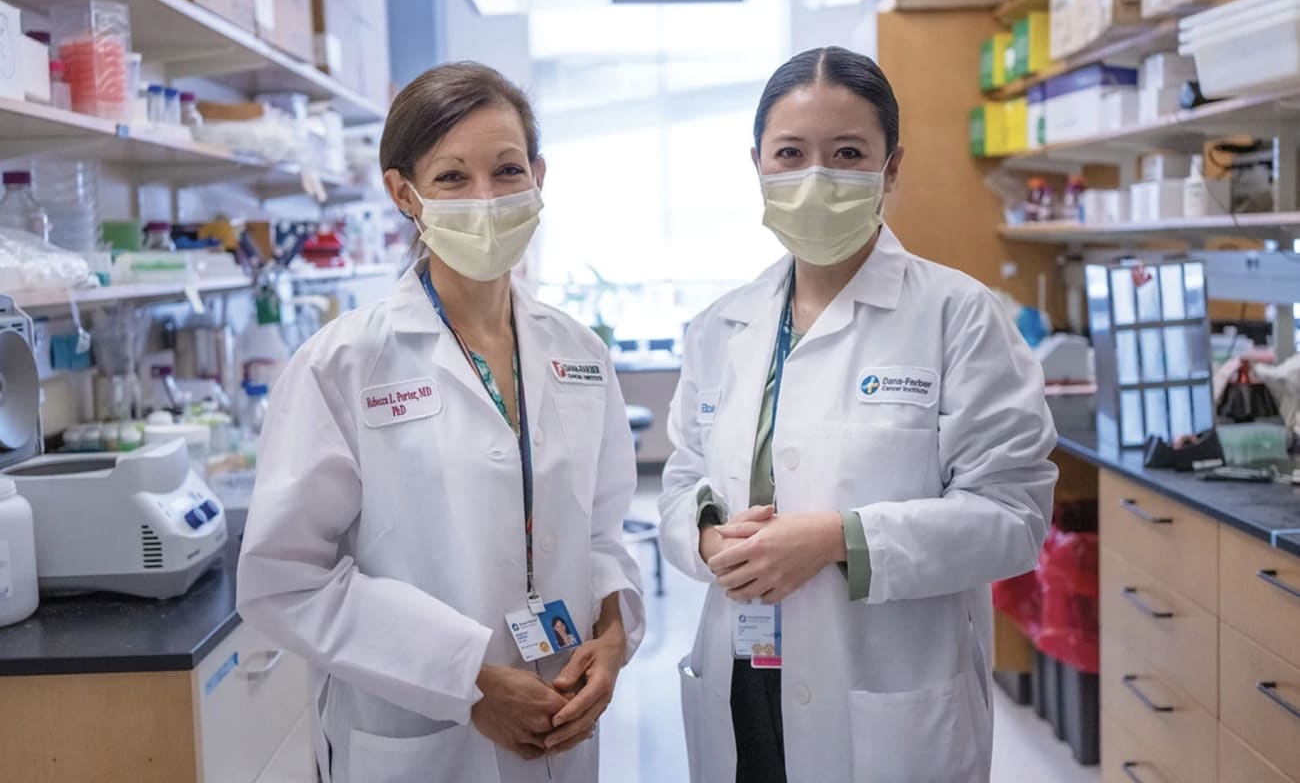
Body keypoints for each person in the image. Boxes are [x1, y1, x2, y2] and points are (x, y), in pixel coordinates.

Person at [238, 62, 645, 783]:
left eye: (508, 169)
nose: (486, 198)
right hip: (416, 733)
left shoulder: (579, 355)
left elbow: (604, 533)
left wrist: (612, 637)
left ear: (539, 176)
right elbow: (285, 579)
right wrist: (467, 681)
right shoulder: (343, 364)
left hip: (562, 715)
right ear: (405, 193)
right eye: (453, 177)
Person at [659, 46, 1058, 783]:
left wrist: (839, 540)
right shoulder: (722, 326)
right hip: (744, 677)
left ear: (891, 167)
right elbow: (682, 480)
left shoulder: (957, 315)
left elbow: (1013, 517)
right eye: (790, 153)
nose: (816, 178)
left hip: (887, 691)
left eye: (847, 153)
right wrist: (708, 537)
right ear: (758, 164)